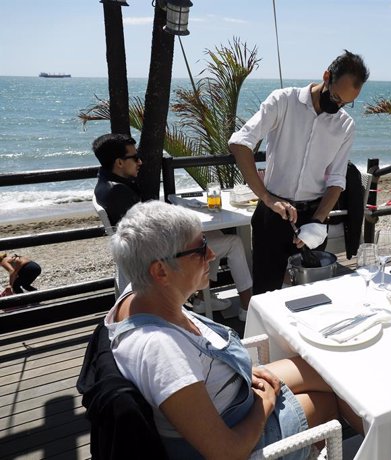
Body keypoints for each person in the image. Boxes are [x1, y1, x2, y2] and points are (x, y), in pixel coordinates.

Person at [104, 200, 363, 460]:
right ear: (161, 270)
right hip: (240, 433)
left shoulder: (141, 293)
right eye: (200, 249)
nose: (212, 255)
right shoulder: (162, 351)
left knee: (332, 371)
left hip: (230, 393)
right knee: (329, 402)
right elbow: (227, 453)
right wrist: (265, 404)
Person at [228, 50, 370, 295]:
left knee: (310, 297)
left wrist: (318, 221)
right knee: (266, 294)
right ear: (327, 76)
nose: (338, 107)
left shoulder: (345, 125)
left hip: (313, 217)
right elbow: (240, 143)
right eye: (336, 97)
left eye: (346, 103)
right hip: (272, 216)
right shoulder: (283, 101)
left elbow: (337, 179)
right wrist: (267, 198)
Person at [92, 133, 253, 319]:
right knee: (234, 242)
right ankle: (247, 307)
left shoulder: (105, 184)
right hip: (157, 256)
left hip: (142, 254)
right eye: (134, 157)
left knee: (212, 234)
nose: (140, 162)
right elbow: (149, 236)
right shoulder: (119, 192)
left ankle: (202, 299)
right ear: (119, 163)